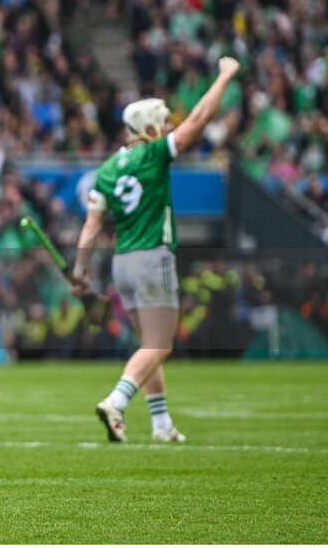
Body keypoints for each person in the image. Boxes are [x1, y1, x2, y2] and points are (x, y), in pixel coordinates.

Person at [71, 57, 240, 442]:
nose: (167, 127)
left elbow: (92, 225)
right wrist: (225, 76)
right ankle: (116, 401)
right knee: (160, 344)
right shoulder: (154, 153)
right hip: (151, 256)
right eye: (162, 122)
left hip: (122, 263)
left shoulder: (109, 167)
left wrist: (80, 271)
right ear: (148, 127)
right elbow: (198, 121)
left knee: (150, 346)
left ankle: (162, 425)